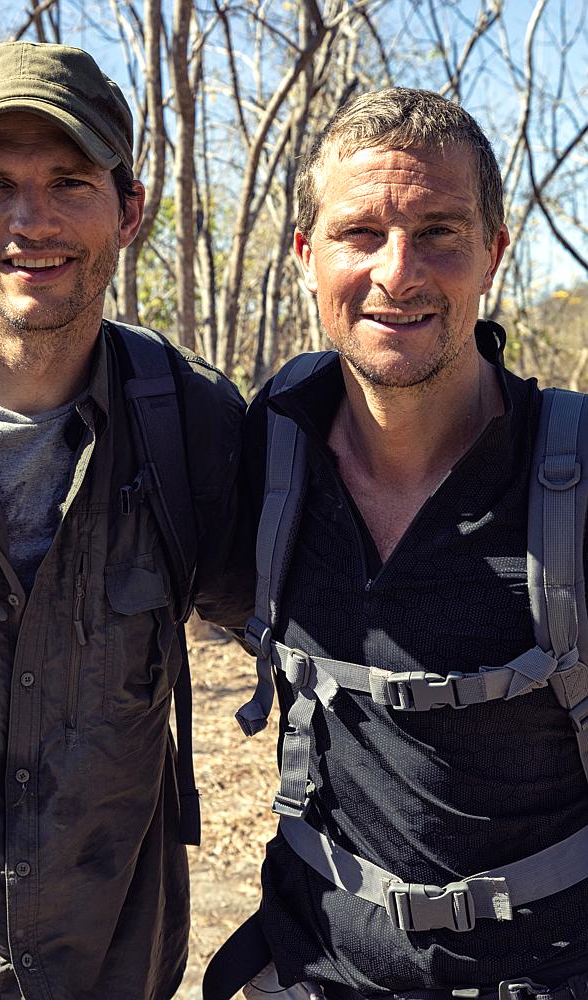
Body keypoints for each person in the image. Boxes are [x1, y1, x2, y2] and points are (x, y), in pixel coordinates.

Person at [0, 41, 252, 998]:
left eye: (70, 181)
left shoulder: (193, 424)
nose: (33, 221)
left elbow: (324, 652)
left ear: (130, 210)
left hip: (112, 970)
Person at [208, 88, 588, 999]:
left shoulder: (571, 476)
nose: (397, 271)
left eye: (438, 232)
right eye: (359, 233)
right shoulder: (268, 445)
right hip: (314, 966)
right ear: (306, 255)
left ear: (494, 252)